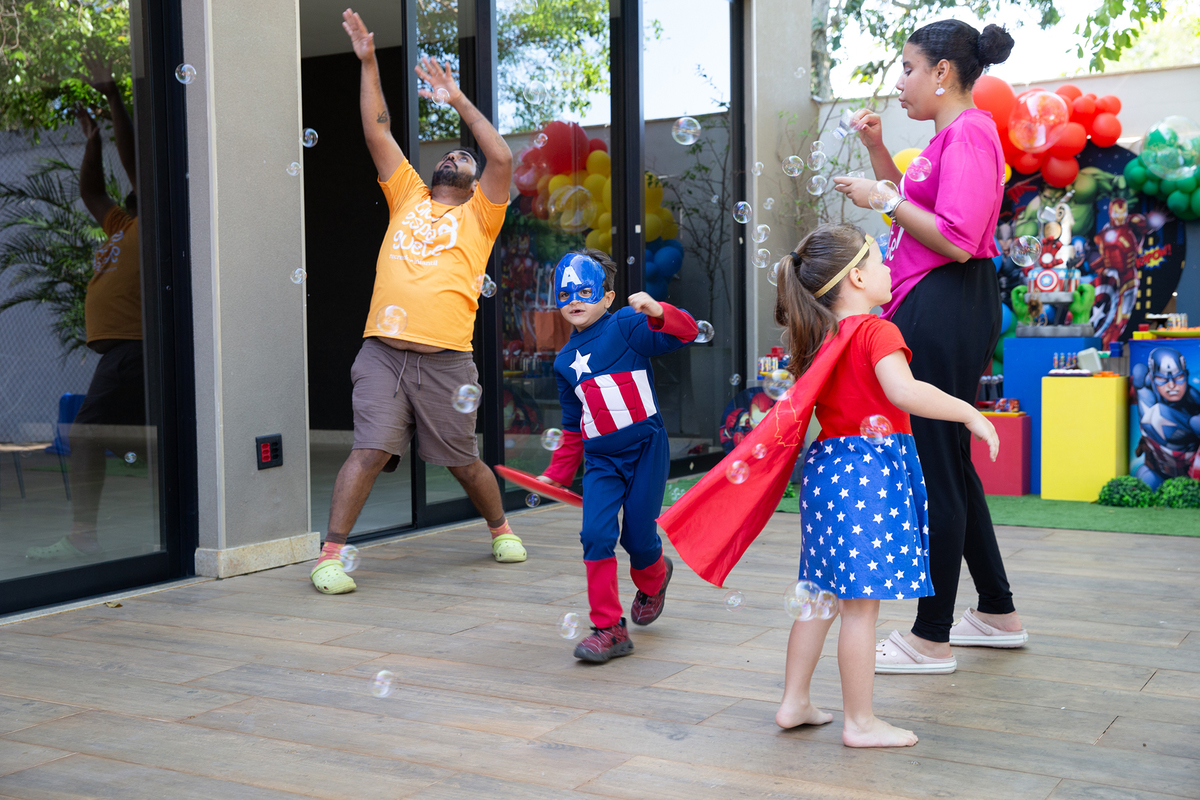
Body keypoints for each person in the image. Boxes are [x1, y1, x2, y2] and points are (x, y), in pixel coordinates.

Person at [833, 20, 1028, 669]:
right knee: (950, 465)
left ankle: (930, 634)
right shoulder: (951, 138)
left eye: (909, 68)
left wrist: (882, 197)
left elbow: (956, 236)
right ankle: (996, 612)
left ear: (943, 72)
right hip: (943, 301)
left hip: (946, 302)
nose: (900, 81)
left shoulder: (970, 131)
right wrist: (879, 155)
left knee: (936, 470)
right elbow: (916, 207)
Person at [310, 9, 515, 595]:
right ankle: (329, 557)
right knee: (370, 449)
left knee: (462, 461)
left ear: (475, 185)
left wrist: (455, 99)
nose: (457, 156)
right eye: (450, 155)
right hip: (383, 353)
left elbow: (500, 158)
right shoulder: (407, 196)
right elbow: (377, 130)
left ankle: (499, 528)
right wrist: (369, 61)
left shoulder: (481, 217)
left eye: (464, 158)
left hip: (447, 359)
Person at [768, 224, 998, 746]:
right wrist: (969, 413)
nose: (891, 266)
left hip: (827, 471)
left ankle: (794, 701)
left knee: (817, 596)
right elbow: (905, 391)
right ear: (856, 277)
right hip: (868, 476)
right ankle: (860, 722)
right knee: (859, 609)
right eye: (880, 258)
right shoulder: (877, 331)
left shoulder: (818, 336)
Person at [536, 250, 698, 662]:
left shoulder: (626, 325)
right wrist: (557, 472)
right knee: (595, 535)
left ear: (607, 298)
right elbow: (572, 425)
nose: (575, 299)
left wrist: (659, 310)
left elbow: (687, 333)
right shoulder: (563, 361)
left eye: (586, 291)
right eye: (566, 293)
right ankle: (608, 629)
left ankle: (655, 577)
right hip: (601, 461)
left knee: (637, 538)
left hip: (646, 448)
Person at [27, 58, 144, 562]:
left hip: (135, 345)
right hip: (120, 350)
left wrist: (115, 99)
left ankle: (82, 535)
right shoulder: (121, 224)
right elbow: (92, 192)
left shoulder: (154, 222)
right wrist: (92, 140)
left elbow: (137, 162)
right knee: (128, 437)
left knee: (89, 433)